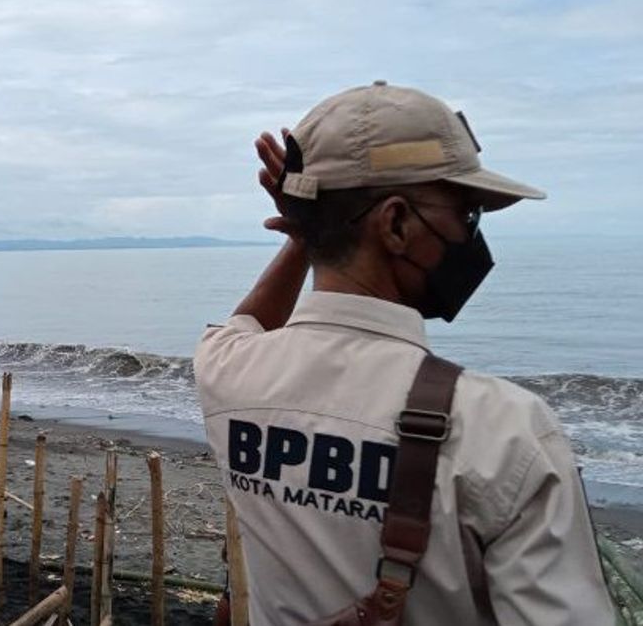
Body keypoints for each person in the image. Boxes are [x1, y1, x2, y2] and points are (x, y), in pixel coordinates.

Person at [196, 82, 614, 625]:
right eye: (466, 215)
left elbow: (246, 325)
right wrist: (312, 228)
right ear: (395, 223)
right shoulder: (503, 432)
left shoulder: (227, 373)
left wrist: (311, 233)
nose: (471, 237)